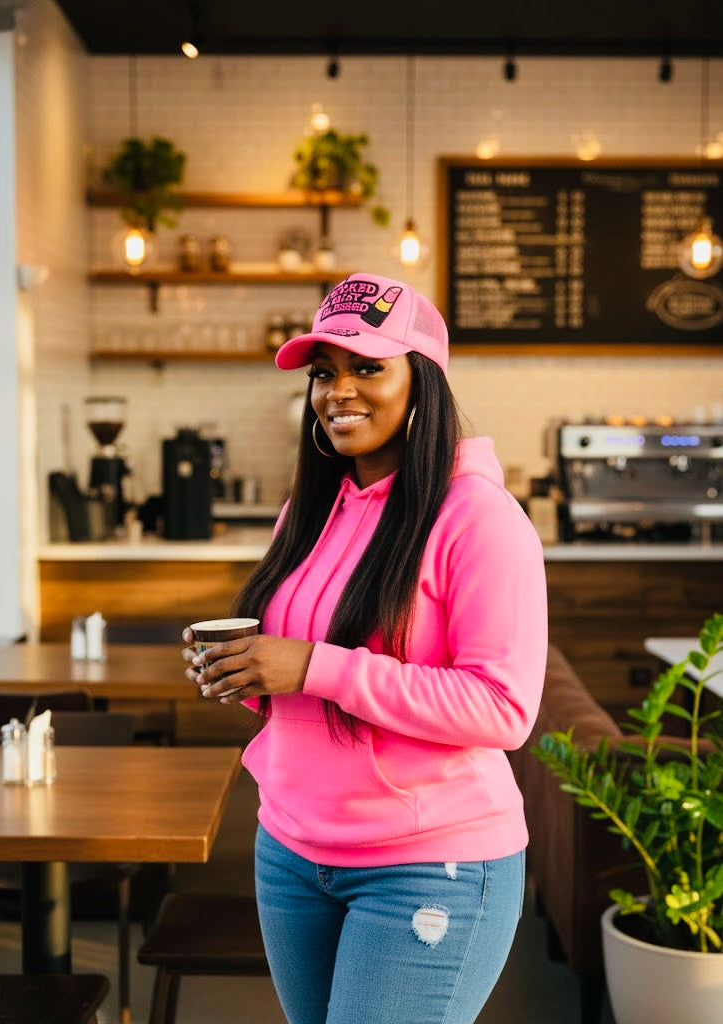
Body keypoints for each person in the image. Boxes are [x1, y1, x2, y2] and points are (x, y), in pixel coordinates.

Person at [182, 272, 548, 1024]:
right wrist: (249, 671)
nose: (338, 390)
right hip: (290, 851)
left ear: (424, 381)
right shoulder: (309, 508)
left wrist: (314, 665)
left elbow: (504, 708)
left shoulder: (479, 518)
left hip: (430, 865)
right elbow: (296, 673)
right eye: (324, 373)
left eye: (367, 367)